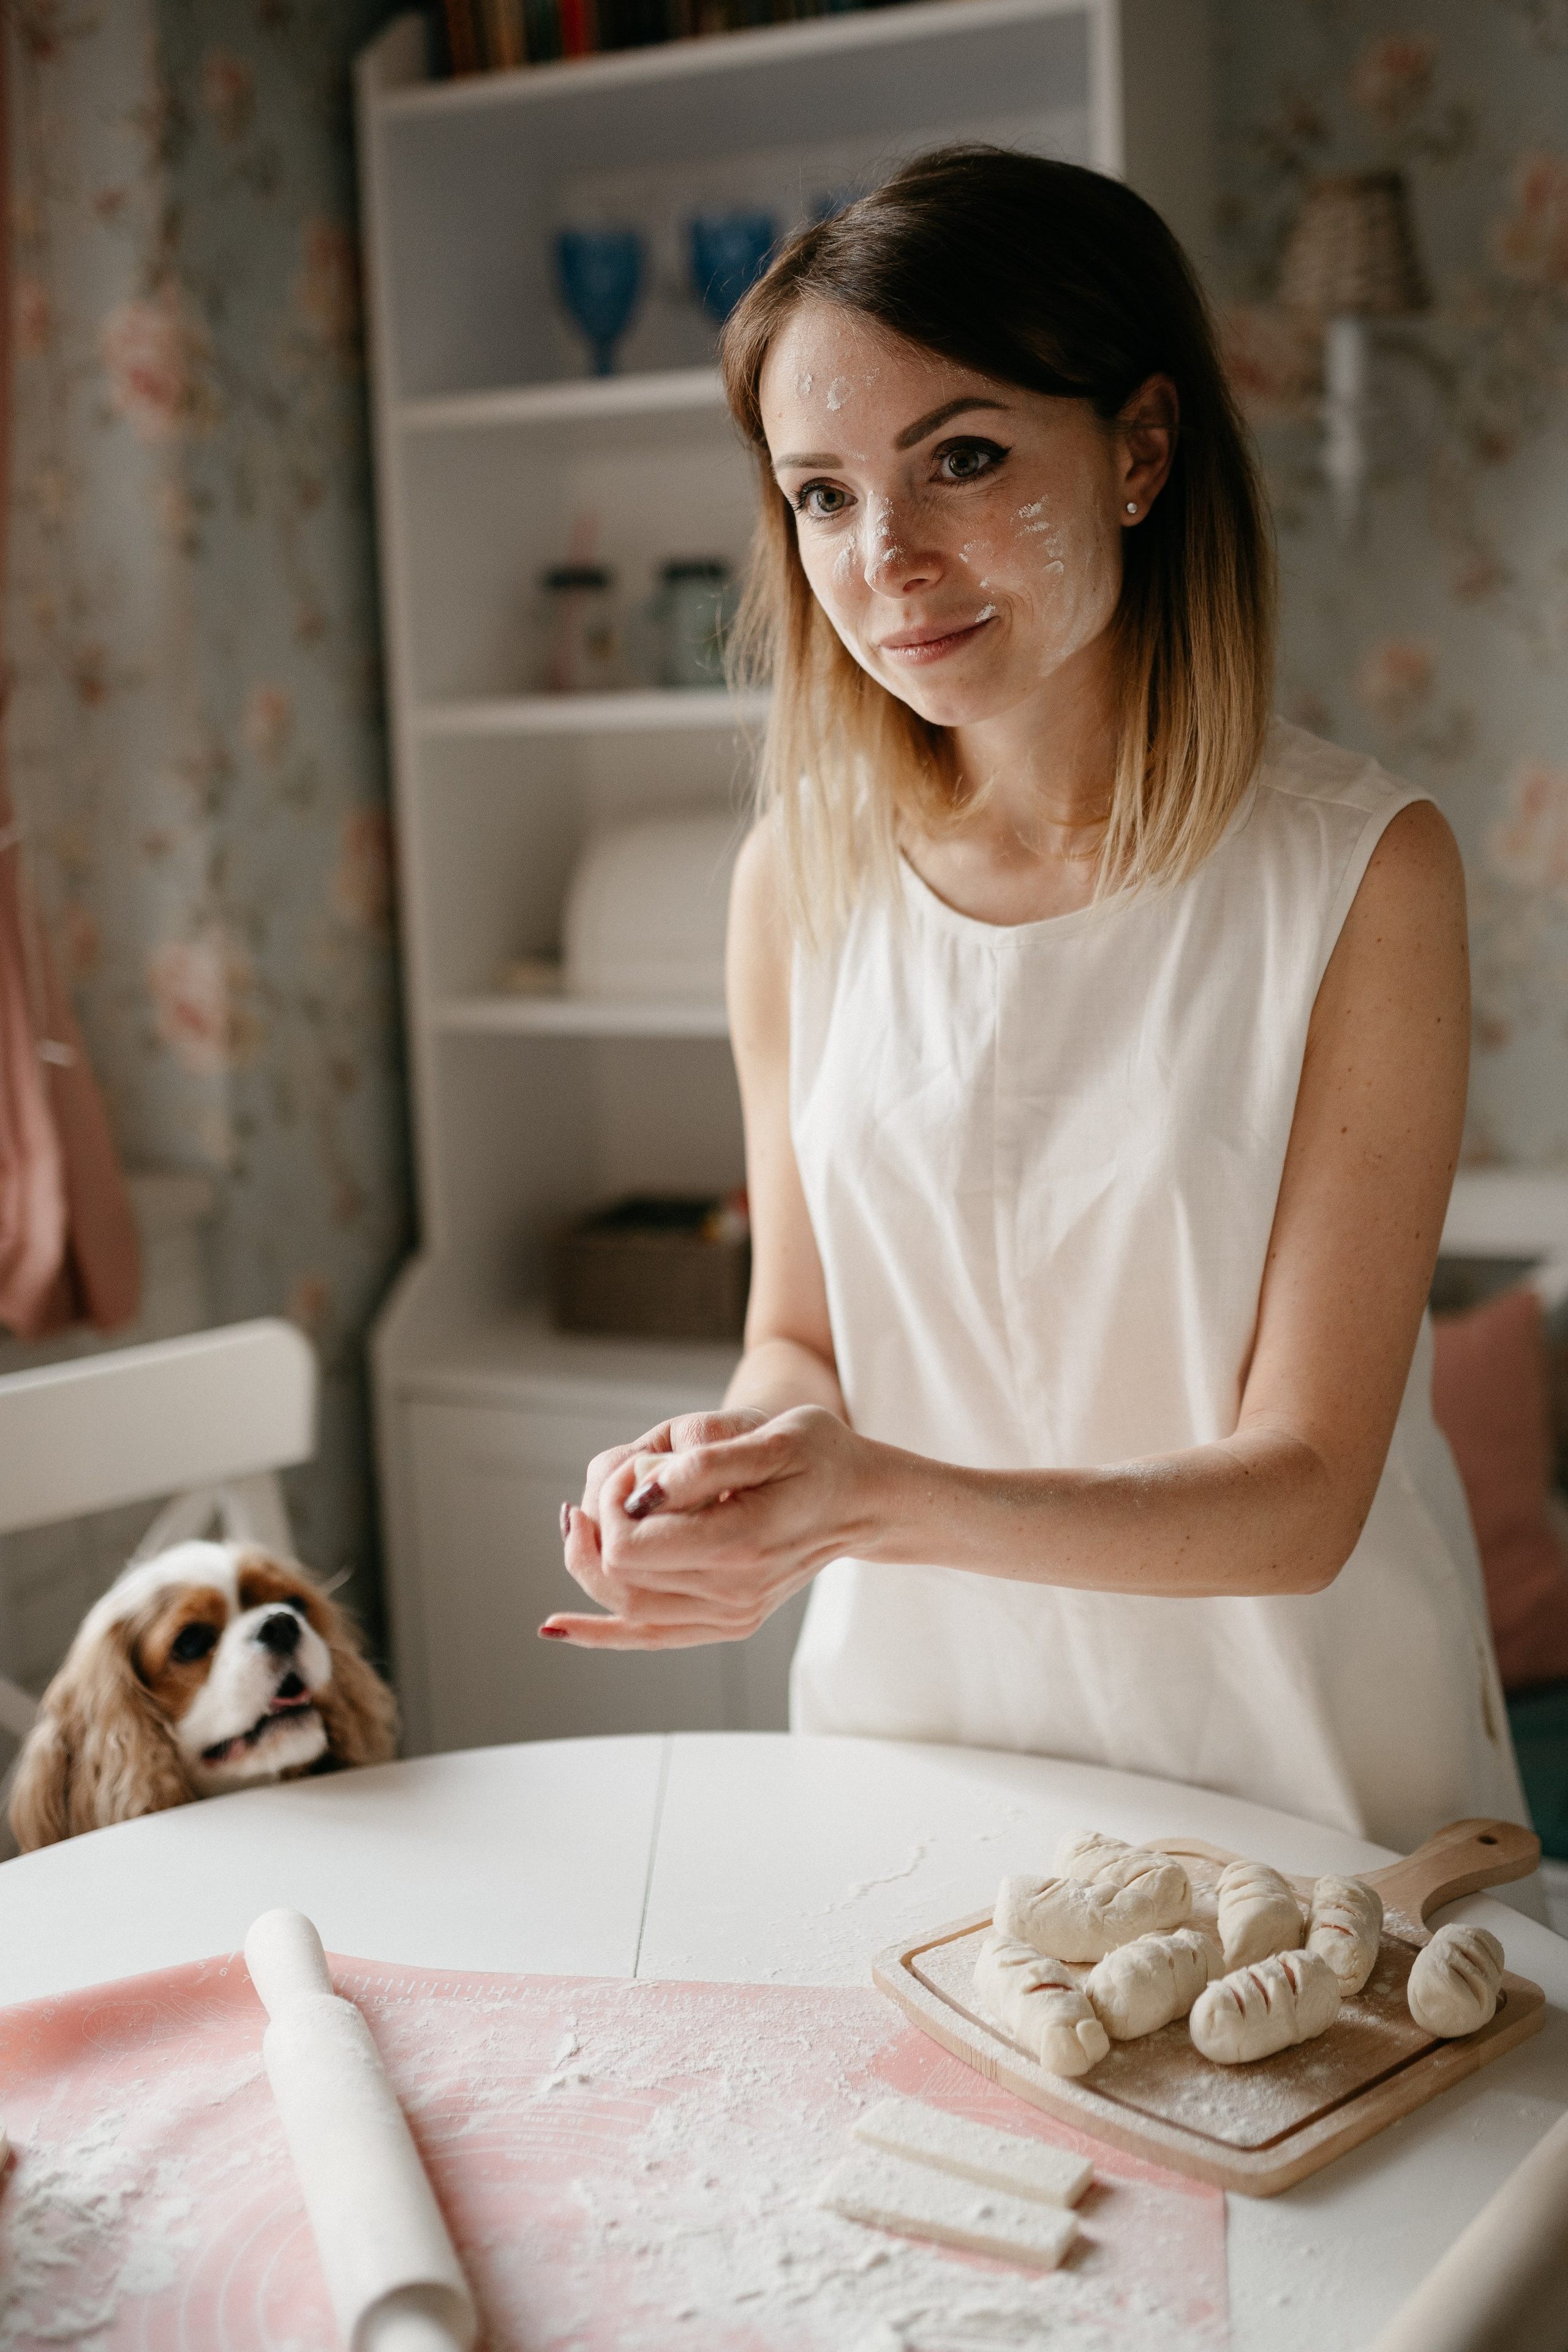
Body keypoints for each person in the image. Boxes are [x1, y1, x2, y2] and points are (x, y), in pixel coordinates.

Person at [546, 146, 1527, 1857]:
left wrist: (867, 1500)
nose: (888, 560)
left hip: (1303, 1796)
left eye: (967, 459)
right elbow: (809, 1337)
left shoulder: (1363, 875)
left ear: (1141, 450)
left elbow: (1301, 1498)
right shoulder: (795, 880)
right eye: (825, 496)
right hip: (912, 1765)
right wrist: (737, 1474)